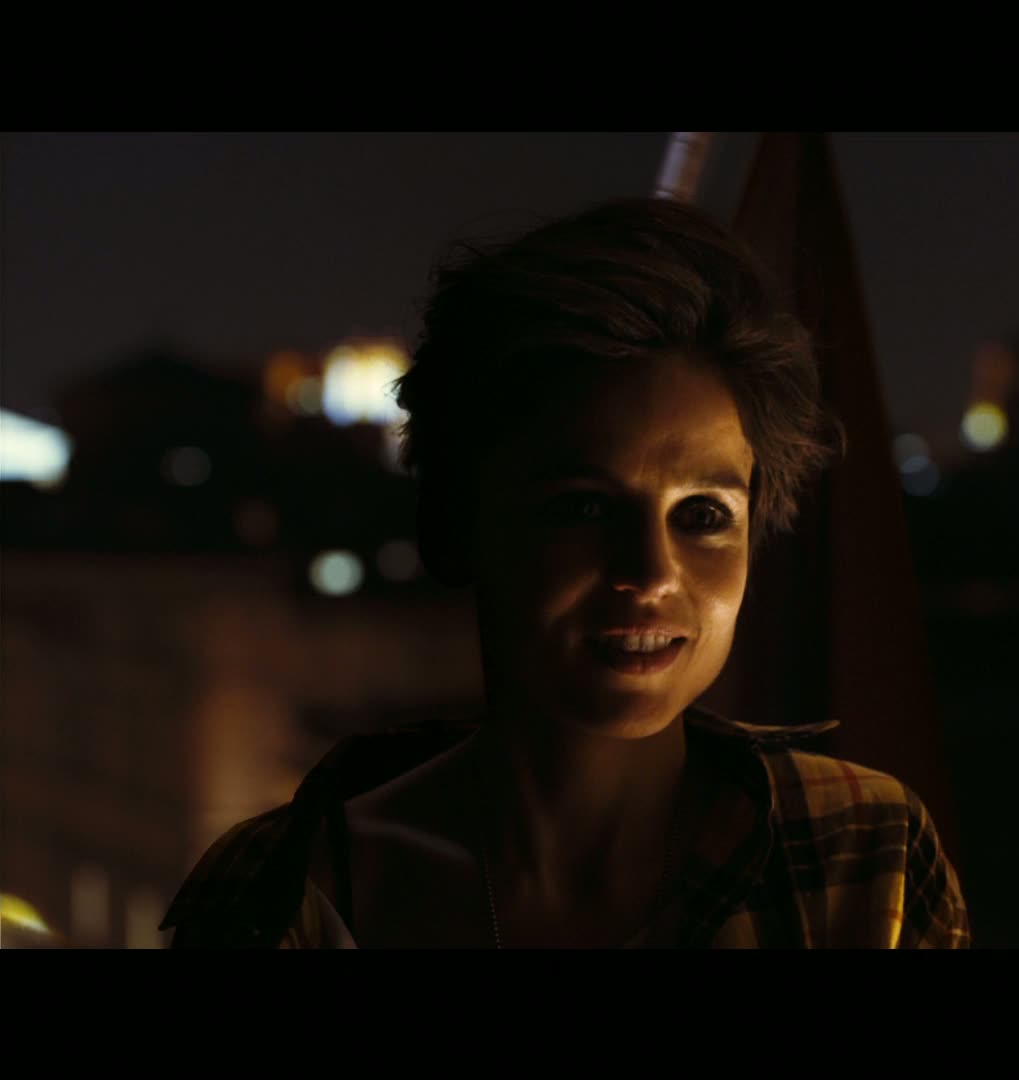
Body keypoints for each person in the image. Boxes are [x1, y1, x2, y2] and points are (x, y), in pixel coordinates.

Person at [162, 198, 969, 948]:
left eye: (703, 516)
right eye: (582, 508)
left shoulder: (858, 850)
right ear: (454, 526)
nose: (649, 574)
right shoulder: (284, 895)